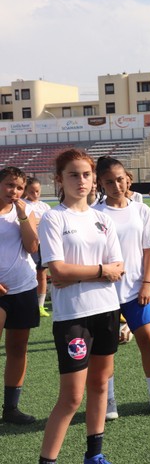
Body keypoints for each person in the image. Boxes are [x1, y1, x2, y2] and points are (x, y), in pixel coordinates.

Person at [38, 149, 125, 464]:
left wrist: (85, 274)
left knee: (100, 385)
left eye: (86, 174)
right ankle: (47, 461)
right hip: (73, 317)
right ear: (58, 179)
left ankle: (94, 456)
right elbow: (58, 271)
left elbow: (119, 267)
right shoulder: (53, 217)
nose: (82, 181)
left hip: (107, 311)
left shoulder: (102, 218)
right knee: (72, 397)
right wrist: (101, 272)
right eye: (73, 175)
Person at [93, 156, 150, 420]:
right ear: (100, 184)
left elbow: (149, 250)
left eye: (119, 179)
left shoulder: (141, 210)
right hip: (103, 294)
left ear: (127, 178)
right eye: (109, 181)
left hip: (135, 291)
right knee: (106, 350)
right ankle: (109, 402)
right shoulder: (95, 214)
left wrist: (146, 283)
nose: (116, 185)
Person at [0, 167, 40, 425]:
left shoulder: (25, 211)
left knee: (17, 348)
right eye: (8, 185)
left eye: (18, 187)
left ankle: (11, 409)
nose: (13, 191)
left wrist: (24, 216)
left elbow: (32, 247)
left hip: (24, 287)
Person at [125, 171, 150, 300]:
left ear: (130, 182)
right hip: (126, 235)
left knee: (146, 262)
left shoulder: (137, 196)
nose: (125, 185)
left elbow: (139, 215)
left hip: (138, 234)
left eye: (127, 182)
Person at [23, 176, 52, 317]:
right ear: (26, 191)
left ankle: (40, 306)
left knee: (42, 274)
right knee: (28, 273)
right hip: (27, 245)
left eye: (38, 191)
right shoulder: (23, 205)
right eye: (32, 191)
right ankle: (28, 303)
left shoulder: (44, 206)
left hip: (42, 245)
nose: (35, 194)